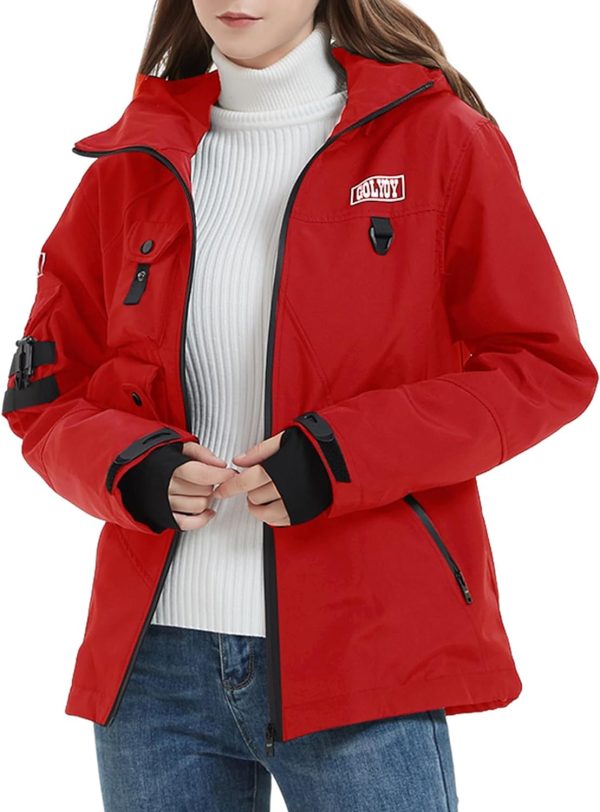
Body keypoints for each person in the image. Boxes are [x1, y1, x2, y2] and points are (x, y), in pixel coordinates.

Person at [3, 1, 597, 810]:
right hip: (153, 669)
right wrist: (128, 467)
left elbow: (542, 366)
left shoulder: (437, 139)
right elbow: (45, 392)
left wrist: (338, 456)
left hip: (364, 649)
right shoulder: (131, 164)